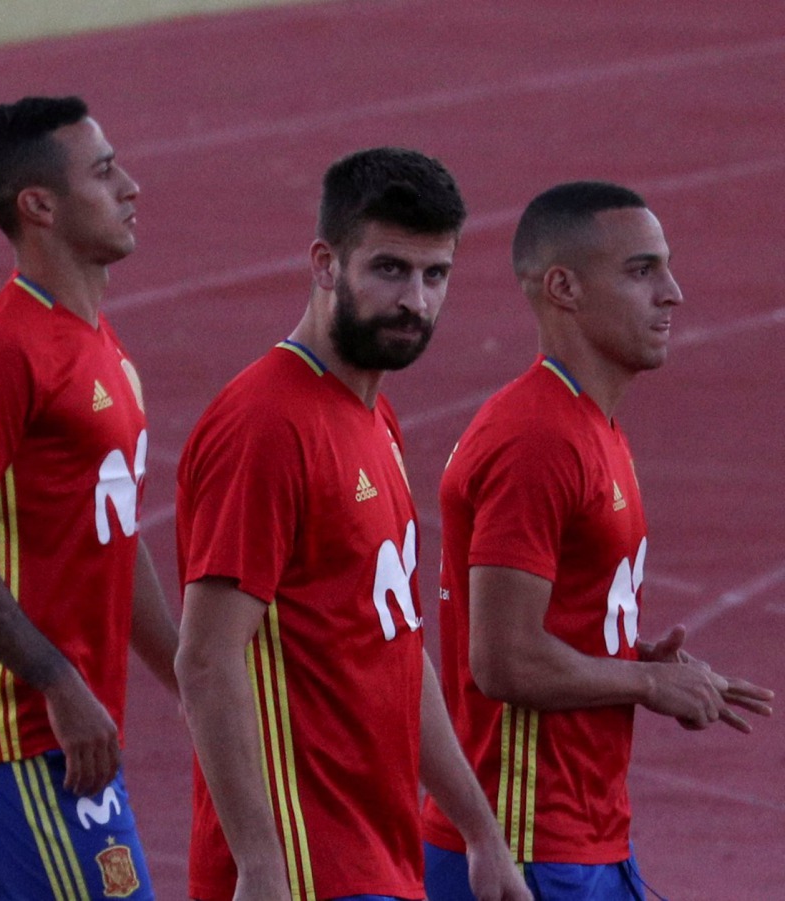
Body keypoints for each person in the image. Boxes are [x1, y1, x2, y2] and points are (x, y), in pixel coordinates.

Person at [174, 147, 532, 901]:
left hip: (377, 855)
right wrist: (262, 865)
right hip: (306, 868)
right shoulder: (266, 426)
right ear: (325, 263)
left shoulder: (374, 418)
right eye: (390, 270)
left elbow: (397, 649)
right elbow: (207, 658)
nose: (416, 301)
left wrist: (479, 827)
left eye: (437, 276)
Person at [421, 181, 774, 900]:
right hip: (528, 843)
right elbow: (503, 660)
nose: (672, 293)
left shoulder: (589, 425)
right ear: (563, 288)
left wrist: (633, 658)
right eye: (642, 271)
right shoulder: (539, 439)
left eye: (665, 268)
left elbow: (543, 624)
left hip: (582, 835)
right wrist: (647, 682)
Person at [0, 95, 178, 901]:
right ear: (39, 205)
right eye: (103, 172)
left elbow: (114, 534)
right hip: (23, 734)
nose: (130, 186)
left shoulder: (98, 343)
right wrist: (60, 682)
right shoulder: (1, 351)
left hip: (58, 730)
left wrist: (193, 679)